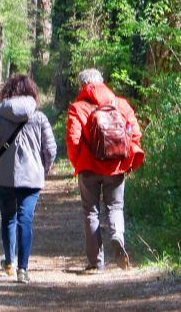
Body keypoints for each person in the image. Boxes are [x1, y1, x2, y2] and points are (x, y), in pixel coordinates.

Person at [66, 68, 144, 272]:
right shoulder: (121, 104)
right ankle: (117, 236)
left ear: (82, 85)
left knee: (90, 212)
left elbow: (73, 140)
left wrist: (78, 163)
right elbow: (135, 133)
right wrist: (126, 159)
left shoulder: (78, 108)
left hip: (88, 167)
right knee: (115, 207)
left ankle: (96, 262)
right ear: (102, 82)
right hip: (116, 166)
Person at [0, 74, 57, 284]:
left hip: (2, 177)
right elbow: (50, 149)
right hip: (31, 177)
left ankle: (9, 260)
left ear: (7, 92)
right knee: (25, 219)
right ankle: (22, 269)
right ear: (31, 92)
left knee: (8, 217)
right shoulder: (39, 117)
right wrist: (44, 169)